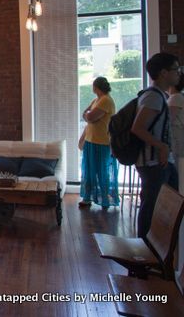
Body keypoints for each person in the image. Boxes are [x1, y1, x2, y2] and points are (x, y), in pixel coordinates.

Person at [131, 52, 181, 238]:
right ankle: (146, 248)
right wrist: (162, 146)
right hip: (153, 163)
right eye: (176, 69)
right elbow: (138, 128)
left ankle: (156, 247)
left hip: (159, 162)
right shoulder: (154, 97)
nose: (179, 73)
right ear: (163, 73)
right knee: (151, 208)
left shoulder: (159, 95)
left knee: (163, 206)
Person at [78, 77, 119, 209]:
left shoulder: (106, 100)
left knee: (102, 171)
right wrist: (88, 116)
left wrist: (88, 116)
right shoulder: (96, 100)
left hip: (101, 142)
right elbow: (85, 114)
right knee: (89, 170)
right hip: (90, 140)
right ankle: (87, 198)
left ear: (96, 87)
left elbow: (89, 116)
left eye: (93, 86)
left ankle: (104, 199)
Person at [168, 74, 184, 185]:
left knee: (177, 169)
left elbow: (168, 119)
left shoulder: (176, 98)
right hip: (176, 137)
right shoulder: (176, 97)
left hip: (176, 137)